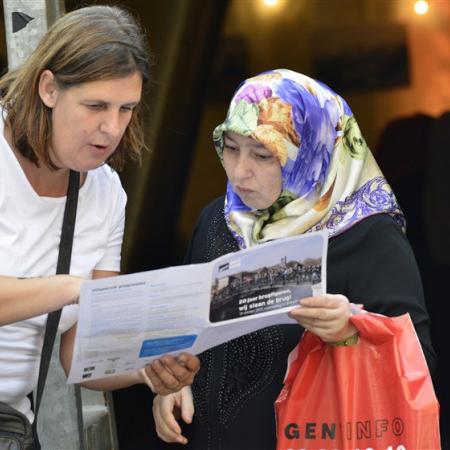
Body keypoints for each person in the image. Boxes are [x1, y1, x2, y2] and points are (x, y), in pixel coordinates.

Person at [151, 69, 436, 449]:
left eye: (263, 154)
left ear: (312, 153)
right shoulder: (218, 221)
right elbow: (182, 333)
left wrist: (350, 331)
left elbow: (421, 366)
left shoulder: (366, 235)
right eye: (231, 148)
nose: (239, 171)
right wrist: (169, 385)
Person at [0, 4, 199, 435]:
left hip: (11, 422)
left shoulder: (106, 193)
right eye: (96, 105)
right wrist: (73, 289)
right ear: (49, 88)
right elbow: (80, 296)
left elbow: (85, 355)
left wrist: (150, 370)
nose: (112, 128)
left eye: (126, 109)